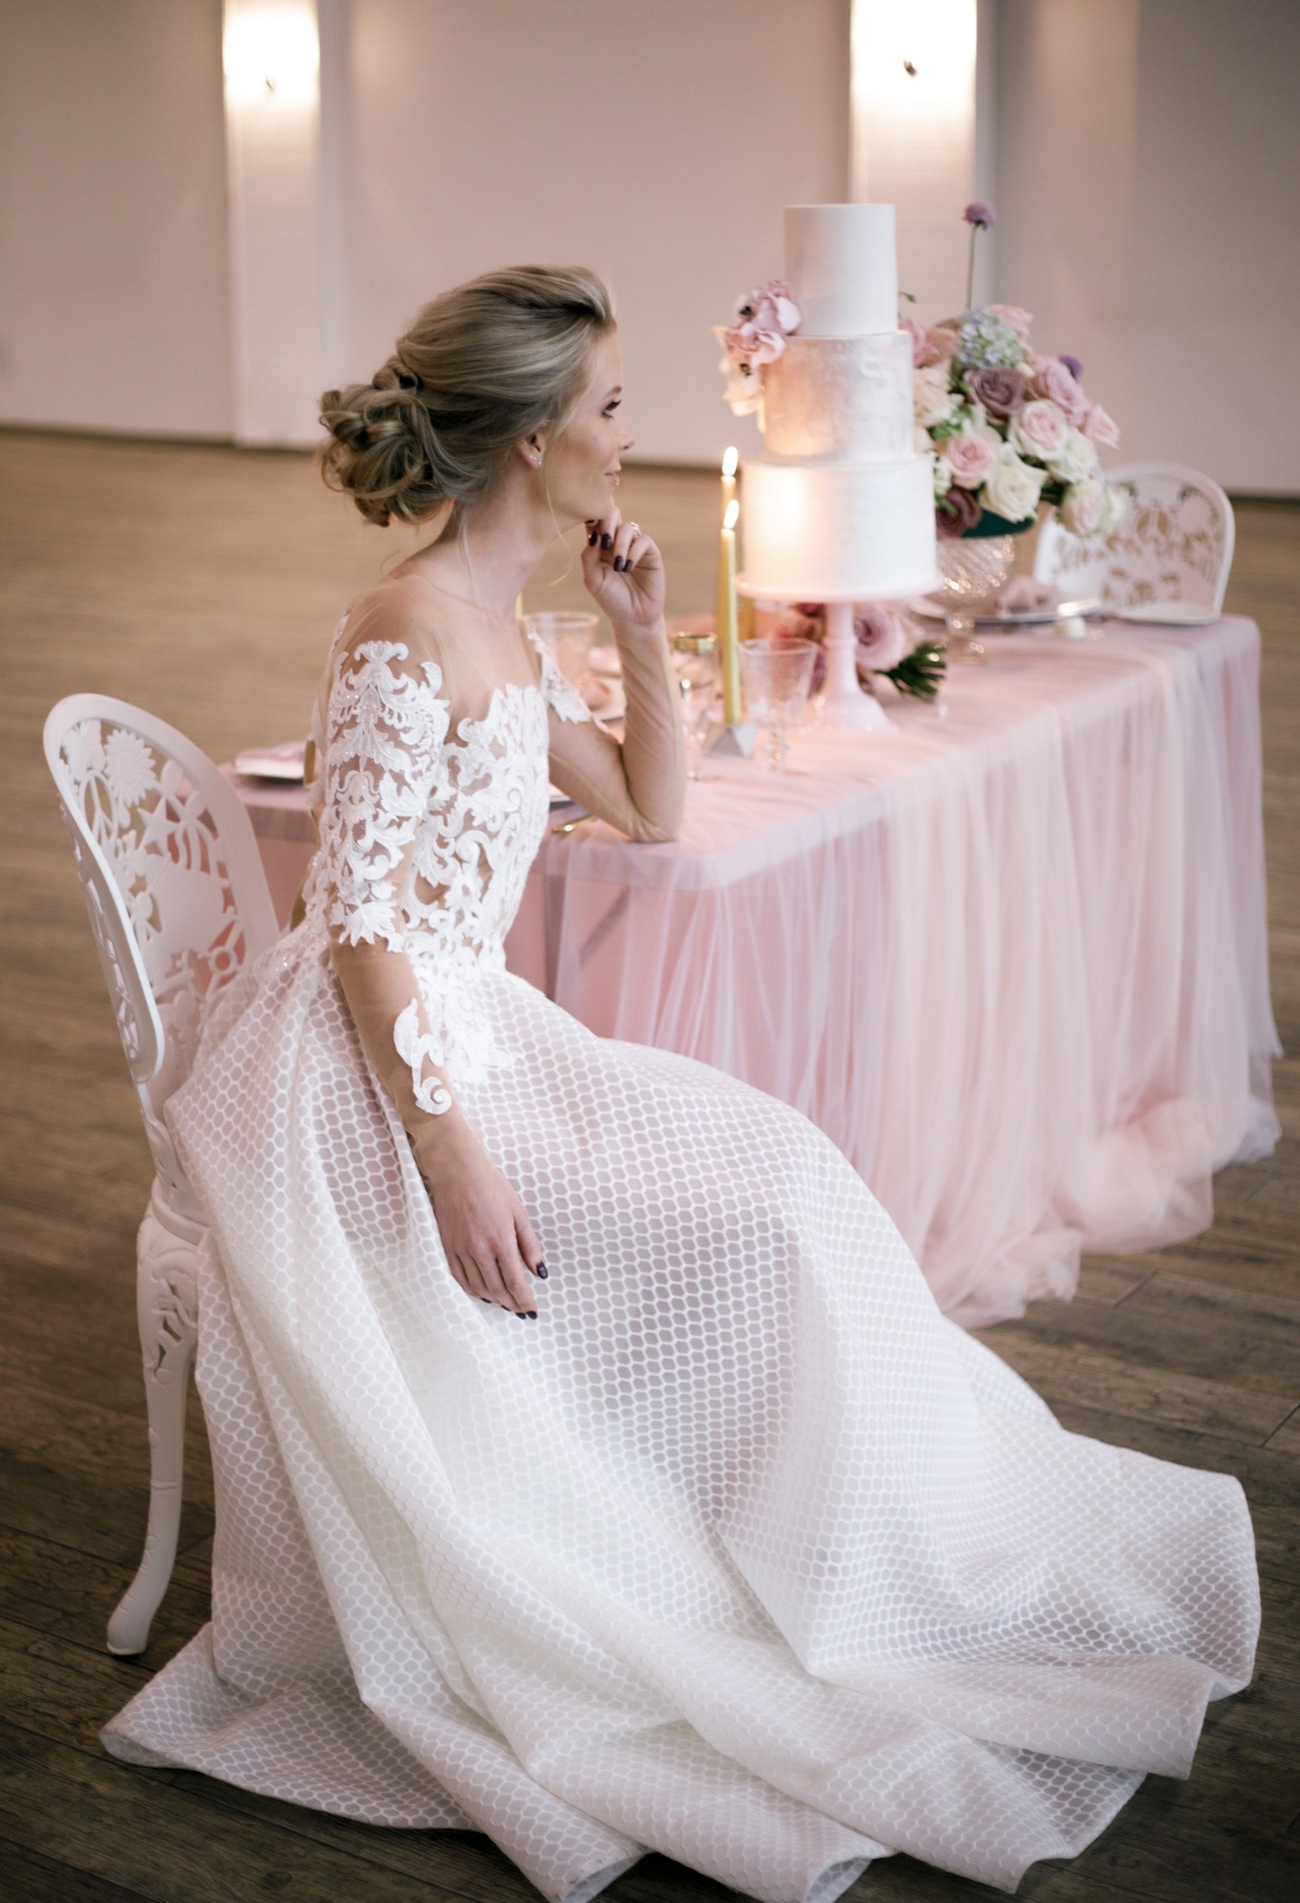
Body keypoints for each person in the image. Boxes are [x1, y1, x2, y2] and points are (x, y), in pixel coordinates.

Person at [103, 266, 1258, 1903]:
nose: (630, 436)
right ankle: (732, 1569)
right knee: (742, 1224)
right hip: (363, 1074)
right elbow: (354, 921)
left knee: (784, 1172)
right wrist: (455, 1163)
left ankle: (844, 1555)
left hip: (471, 1026)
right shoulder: (401, 633)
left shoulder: (503, 621)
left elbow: (649, 805)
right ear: (529, 446)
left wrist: (642, 627)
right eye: (614, 408)